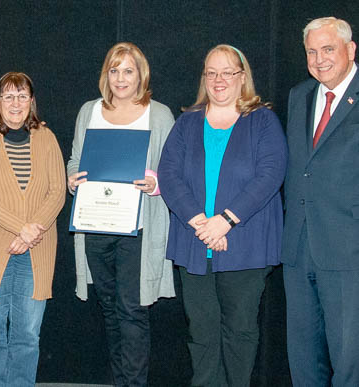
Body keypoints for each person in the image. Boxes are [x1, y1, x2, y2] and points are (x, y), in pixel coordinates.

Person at [158, 45, 287, 387]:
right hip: (195, 241)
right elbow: (168, 175)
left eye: (227, 72)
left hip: (245, 244)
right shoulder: (187, 122)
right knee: (200, 331)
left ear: (242, 77)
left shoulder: (262, 120)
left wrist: (226, 220)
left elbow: (271, 174)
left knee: (240, 331)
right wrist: (201, 222)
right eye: (211, 72)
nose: (218, 80)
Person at [67, 42, 175, 387]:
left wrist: (154, 182)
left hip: (137, 230)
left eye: (128, 70)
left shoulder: (158, 114)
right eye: (114, 70)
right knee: (110, 313)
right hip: (95, 226)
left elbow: (174, 171)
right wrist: (72, 179)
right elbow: (75, 159)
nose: (120, 78)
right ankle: (121, 381)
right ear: (106, 75)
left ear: (140, 74)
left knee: (132, 312)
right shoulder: (89, 111)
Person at [0, 72, 65, 387]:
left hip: (37, 251)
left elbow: (58, 191)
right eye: (8, 96)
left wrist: (31, 234)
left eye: (22, 96)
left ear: (31, 101)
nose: (15, 103)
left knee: (28, 335)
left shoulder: (46, 138)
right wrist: (22, 229)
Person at [282, 17, 359, 386]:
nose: (319, 59)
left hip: (348, 250)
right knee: (303, 360)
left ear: (350, 49)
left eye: (328, 49)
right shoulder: (300, 95)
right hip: (298, 249)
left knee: (349, 362)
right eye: (312, 51)